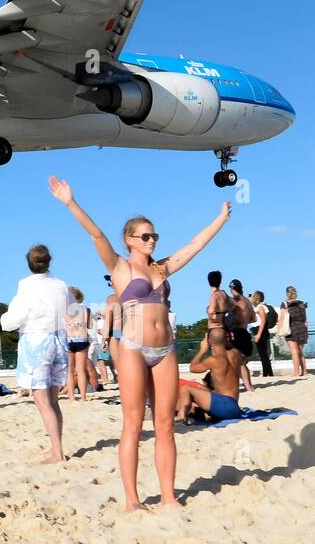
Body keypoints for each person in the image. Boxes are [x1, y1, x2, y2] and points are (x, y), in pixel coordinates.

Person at [49, 175, 230, 510]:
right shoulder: (119, 266)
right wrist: (71, 202)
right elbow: (96, 234)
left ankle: (168, 496)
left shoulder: (162, 270)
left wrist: (220, 218)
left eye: (154, 235)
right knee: (133, 423)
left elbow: (194, 246)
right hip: (133, 348)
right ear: (130, 240)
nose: (152, 240)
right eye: (145, 236)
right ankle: (132, 499)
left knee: (165, 424)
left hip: (165, 351)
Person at [2, 244, 70, 463]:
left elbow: (12, 321)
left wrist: (5, 319)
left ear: (29, 263)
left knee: (42, 401)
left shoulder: (26, 286)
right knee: (53, 400)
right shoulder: (61, 285)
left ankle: (57, 452)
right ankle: (55, 447)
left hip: (36, 341)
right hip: (59, 339)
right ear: (49, 261)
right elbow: (71, 308)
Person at [176, 330, 244, 422]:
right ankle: (196, 413)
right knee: (202, 390)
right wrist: (226, 342)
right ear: (226, 339)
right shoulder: (236, 353)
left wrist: (202, 350)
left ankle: (181, 417)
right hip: (235, 408)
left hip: (223, 406)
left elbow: (193, 368)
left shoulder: (213, 360)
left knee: (186, 388)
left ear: (209, 341)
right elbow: (244, 360)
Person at [224, 279, 256, 393]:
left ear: (232, 288)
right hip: (245, 333)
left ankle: (238, 387)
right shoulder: (247, 301)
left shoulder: (236, 300)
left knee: (235, 362)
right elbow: (254, 318)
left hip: (237, 333)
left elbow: (234, 318)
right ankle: (249, 387)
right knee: (241, 362)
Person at [63, 289, 92, 403]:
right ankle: (83, 397)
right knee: (81, 370)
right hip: (82, 339)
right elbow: (89, 325)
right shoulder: (86, 310)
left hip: (68, 340)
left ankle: (71, 397)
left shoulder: (63, 310)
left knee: (69, 371)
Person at [280, 286, 308, 377]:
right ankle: (304, 372)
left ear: (286, 293)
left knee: (294, 352)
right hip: (302, 327)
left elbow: (282, 318)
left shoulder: (285, 304)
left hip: (291, 327)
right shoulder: (301, 304)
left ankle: (296, 373)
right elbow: (305, 319)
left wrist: (279, 330)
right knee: (300, 351)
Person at [250, 291, 274, 377]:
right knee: (263, 353)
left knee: (263, 353)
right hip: (261, 330)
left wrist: (258, 334)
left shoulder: (260, 307)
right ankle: (269, 373)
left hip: (260, 330)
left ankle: (266, 373)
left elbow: (263, 321)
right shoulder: (259, 307)